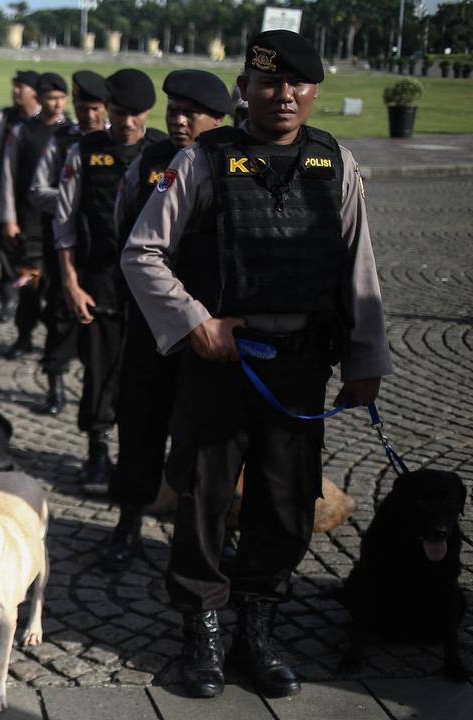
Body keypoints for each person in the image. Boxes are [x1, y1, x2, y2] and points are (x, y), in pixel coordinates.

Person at [122, 31, 391, 700]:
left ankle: (258, 630)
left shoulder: (337, 163)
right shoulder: (204, 162)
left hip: (300, 366)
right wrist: (195, 321)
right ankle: (203, 638)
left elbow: (360, 269)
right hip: (222, 366)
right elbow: (142, 253)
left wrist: (367, 358)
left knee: (287, 503)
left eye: (298, 83)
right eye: (269, 82)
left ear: (315, 91)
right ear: (245, 89)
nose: (284, 94)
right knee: (206, 501)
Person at [102, 69, 231, 572]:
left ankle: (204, 531)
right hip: (151, 326)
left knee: (206, 434)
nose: (178, 120)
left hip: (211, 326)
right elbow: (122, 230)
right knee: (139, 423)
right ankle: (129, 519)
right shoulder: (150, 162)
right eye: (173, 110)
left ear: (217, 118)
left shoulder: (235, 162)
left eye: (190, 113)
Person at [54, 68, 166, 487]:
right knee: (99, 371)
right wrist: (70, 282)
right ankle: (97, 450)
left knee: (143, 378)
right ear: (107, 110)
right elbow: (64, 221)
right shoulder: (84, 152)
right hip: (98, 280)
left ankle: (138, 459)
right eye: (120, 112)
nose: (128, 122)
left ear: (149, 112)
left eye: (137, 114)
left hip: (150, 290)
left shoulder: (164, 152)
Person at [27, 70, 108, 415]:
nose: (89, 115)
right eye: (83, 107)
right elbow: (37, 190)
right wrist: (73, 200)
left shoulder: (115, 142)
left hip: (103, 250)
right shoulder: (62, 140)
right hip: (62, 243)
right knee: (60, 314)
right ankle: (56, 384)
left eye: (95, 108)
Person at [0, 72, 70, 360]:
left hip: (60, 221)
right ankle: (24, 334)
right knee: (28, 283)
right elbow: (7, 174)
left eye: (61, 99)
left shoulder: (70, 133)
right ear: (39, 100)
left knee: (55, 287)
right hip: (28, 220)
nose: (57, 104)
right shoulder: (22, 131)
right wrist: (9, 217)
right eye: (51, 99)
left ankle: (54, 347)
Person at [0, 70, 40, 321]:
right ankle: (6, 298)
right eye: (15, 87)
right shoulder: (5, 118)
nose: (15, 92)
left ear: (34, 93)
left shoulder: (45, 122)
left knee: (28, 251)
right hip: (4, 193)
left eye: (20, 88)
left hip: (33, 199)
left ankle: (30, 303)